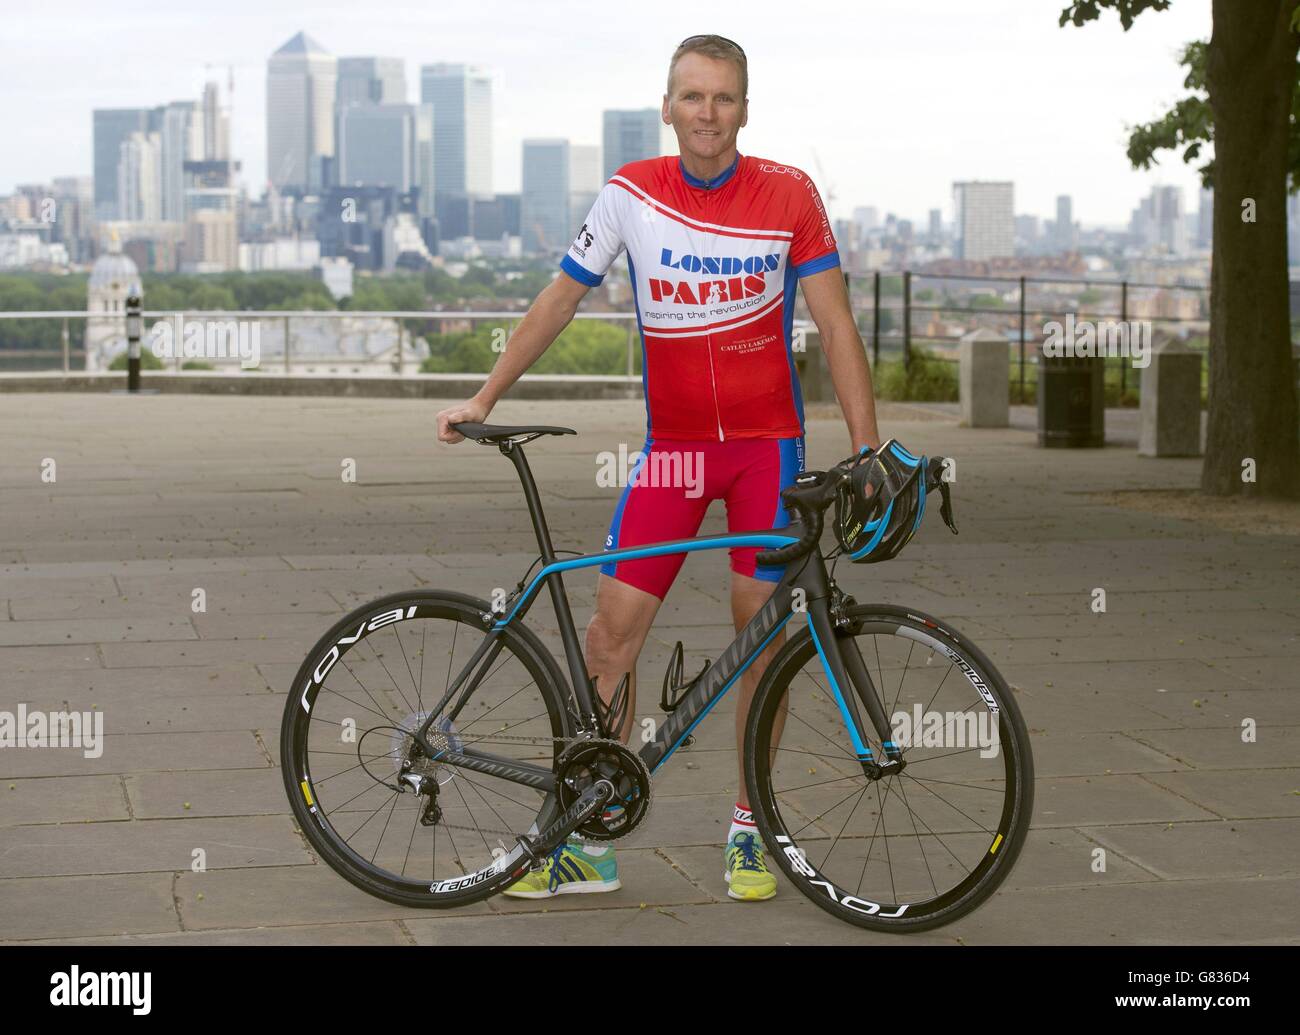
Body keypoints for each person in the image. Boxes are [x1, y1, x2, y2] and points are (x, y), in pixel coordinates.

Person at [436, 34, 882, 902]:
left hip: (768, 455)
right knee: (610, 635)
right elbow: (561, 296)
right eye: (692, 97)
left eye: (724, 98)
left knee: (763, 643)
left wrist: (865, 451)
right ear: (668, 106)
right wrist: (484, 397)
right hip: (675, 455)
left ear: (745, 109)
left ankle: (755, 827)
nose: (707, 114)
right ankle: (590, 840)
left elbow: (836, 326)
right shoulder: (631, 193)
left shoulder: (789, 194)